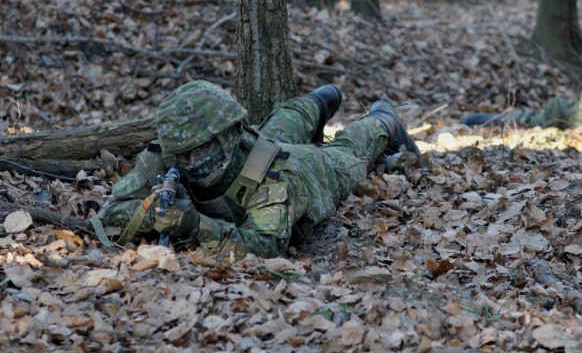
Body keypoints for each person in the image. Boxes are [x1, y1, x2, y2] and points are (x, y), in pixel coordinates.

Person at [90, 81, 422, 260]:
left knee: (348, 154)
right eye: (183, 155)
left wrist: (194, 225)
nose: (190, 164)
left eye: (201, 150)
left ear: (228, 136)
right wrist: (151, 215)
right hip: (263, 143)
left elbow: (266, 246)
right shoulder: (170, 156)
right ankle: (319, 101)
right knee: (277, 127)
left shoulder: (275, 173)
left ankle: (383, 120)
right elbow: (112, 211)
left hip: (312, 172)